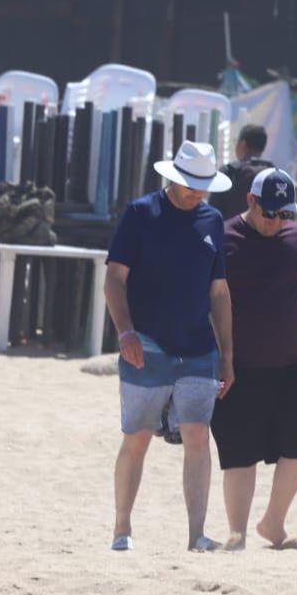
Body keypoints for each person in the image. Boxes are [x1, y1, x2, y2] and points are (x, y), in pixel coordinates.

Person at [104, 139, 235, 553]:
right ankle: (121, 528)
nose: (198, 193)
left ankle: (197, 535)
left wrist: (228, 355)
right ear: (174, 178)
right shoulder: (141, 213)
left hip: (199, 347)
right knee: (138, 436)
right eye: (191, 185)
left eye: (203, 186)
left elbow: (219, 291)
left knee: (197, 435)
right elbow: (114, 279)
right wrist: (125, 332)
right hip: (146, 343)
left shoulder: (213, 220)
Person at [212, 168, 297, 551]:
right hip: (236, 366)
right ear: (250, 201)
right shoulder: (224, 238)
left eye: (285, 213)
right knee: (239, 454)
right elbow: (204, 298)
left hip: (290, 364)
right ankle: (237, 533)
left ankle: (273, 522)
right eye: (269, 212)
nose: (277, 221)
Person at [212, 124, 274, 219]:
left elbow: (213, 211)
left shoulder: (229, 172)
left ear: (243, 144)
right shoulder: (274, 174)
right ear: (264, 148)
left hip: (230, 227)